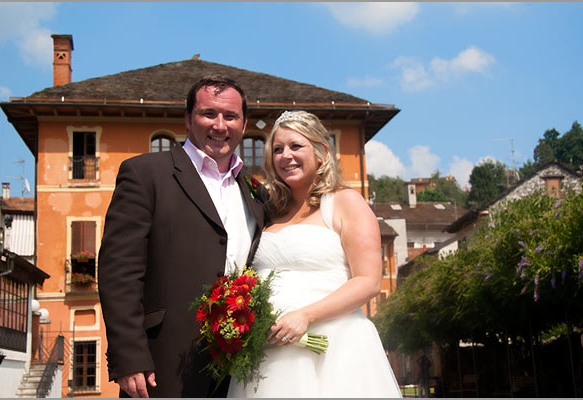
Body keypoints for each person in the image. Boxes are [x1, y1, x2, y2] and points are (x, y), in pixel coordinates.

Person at [98, 75, 266, 398]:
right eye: (209, 113)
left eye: (230, 116)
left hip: (238, 370)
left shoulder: (254, 194)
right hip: (162, 364)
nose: (220, 125)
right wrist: (129, 355)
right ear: (188, 119)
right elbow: (119, 271)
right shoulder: (145, 174)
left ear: (243, 125)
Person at [227, 110, 402, 397]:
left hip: (334, 348)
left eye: (296, 146)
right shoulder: (269, 212)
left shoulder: (345, 202)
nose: (286, 156)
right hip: (268, 355)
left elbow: (368, 281)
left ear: (321, 151)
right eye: (278, 149)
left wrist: (304, 316)